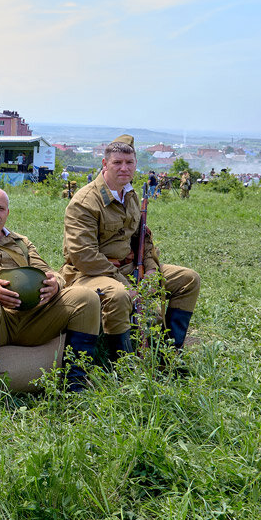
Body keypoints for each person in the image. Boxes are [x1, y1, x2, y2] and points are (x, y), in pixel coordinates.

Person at [0, 186, 100, 392]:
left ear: (7, 213)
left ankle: (76, 386)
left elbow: (48, 271)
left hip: (31, 318)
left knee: (86, 297)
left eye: (0, 208)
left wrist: (55, 283)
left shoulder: (22, 243)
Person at [62, 135, 201, 360]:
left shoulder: (131, 194)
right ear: (105, 164)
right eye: (117, 163)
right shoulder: (85, 202)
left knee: (188, 279)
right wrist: (126, 283)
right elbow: (84, 256)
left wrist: (152, 269)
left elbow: (142, 239)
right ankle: (123, 362)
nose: (124, 168)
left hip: (130, 268)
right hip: (90, 273)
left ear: (136, 165)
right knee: (121, 294)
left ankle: (168, 352)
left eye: (129, 163)